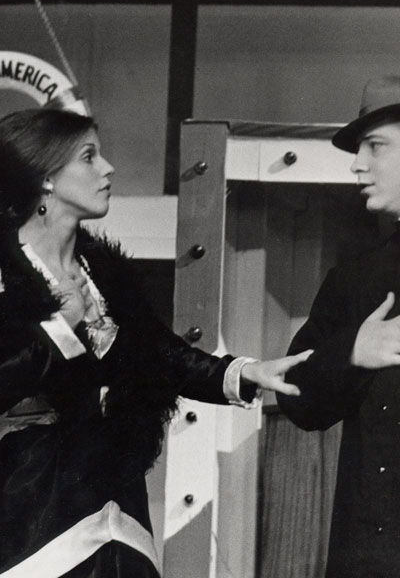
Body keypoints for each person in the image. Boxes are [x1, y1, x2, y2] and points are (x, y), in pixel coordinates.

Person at [0, 108, 311, 578]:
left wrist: (245, 372)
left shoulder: (103, 273)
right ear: (45, 177)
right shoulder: (5, 274)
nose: (108, 169)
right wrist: (59, 328)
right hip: (34, 515)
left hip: (117, 504)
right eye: (89, 157)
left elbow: (159, 353)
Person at [277, 75, 400, 578]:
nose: (357, 164)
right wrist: (351, 352)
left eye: (376, 146)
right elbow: (295, 393)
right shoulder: (355, 279)